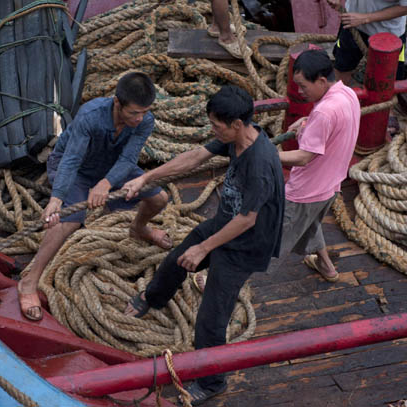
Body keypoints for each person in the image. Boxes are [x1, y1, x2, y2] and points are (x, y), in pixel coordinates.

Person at [122, 85, 285, 405]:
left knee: (211, 319)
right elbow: (195, 157)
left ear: (237, 123)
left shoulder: (260, 163)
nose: (213, 130)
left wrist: (203, 248)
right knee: (174, 261)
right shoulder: (234, 139)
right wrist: (147, 178)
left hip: (245, 246)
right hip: (225, 224)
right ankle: (152, 297)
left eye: (216, 125)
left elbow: (247, 220)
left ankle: (212, 382)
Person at [17, 72, 171, 321]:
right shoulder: (90, 116)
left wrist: (106, 183)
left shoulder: (145, 121)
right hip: (76, 169)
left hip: (111, 167)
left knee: (159, 199)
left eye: (144, 112)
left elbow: (129, 159)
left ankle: (139, 229)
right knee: (68, 220)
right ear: (117, 103)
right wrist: (57, 199)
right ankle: (29, 282)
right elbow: (72, 159)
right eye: (134, 113)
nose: (140, 118)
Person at [268, 49, 360, 281]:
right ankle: (326, 266)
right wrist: (308, 122)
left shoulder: (324, 111)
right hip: (329, 187)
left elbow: (304, 157)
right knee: (309, 222)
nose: (300, 92)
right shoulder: (347, 94)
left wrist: (265, 153)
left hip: (305, 191)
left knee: (270, 240)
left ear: (321, 80)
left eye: (303, 86)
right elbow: (333, 126)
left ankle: (230, 281)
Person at [327, 0, 407, 85]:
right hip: (351, 23)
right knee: (342, 67)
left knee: (387, 83)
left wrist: (366, 18)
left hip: (388, 35)